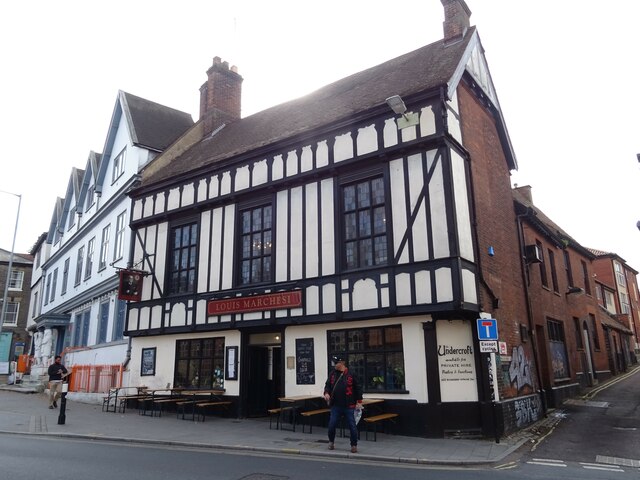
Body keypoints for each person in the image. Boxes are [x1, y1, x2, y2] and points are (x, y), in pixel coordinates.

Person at [323, 355, 362, 453]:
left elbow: (358, 388)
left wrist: (359, 402)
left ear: (342, 363)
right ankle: (331, 442)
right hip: (336, 405)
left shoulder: (351, 374)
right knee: (332, 425)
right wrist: (326, 393)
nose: (334, 365)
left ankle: (354, 445)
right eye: (334, 363)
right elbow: (327, 386)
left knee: (352, 426)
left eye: (336, 363)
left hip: (350, 405)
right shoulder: (332, 374)